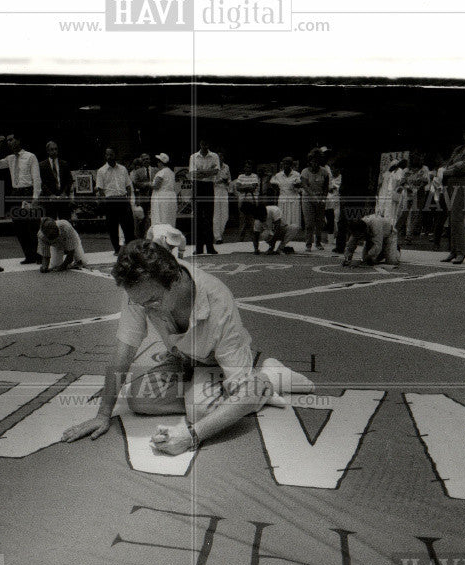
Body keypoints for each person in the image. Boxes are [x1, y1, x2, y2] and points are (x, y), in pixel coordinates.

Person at [60, 240, 316, 455]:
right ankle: (209, 394)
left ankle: (267, 378)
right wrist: (103, 414)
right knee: (137, 399)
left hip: (216, 361)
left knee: (200, 411)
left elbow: (240, 386)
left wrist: (190, 437)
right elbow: (123, 351)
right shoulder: (141, 291)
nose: (147, 309)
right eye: (141, 303)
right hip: (183, 358)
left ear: (175, 281)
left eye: (153, 301)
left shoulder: (217, 302)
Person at [0, 133, 42, 265]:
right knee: (19, 227)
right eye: (7, 141)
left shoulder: (30, 157)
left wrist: (35, 198)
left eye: (12, 139)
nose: (9, 142)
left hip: (28, 192)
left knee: (33, 226)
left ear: (19, 140)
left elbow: (36, 178)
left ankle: (40, 255)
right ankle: (29, 255)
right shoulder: (10, 158)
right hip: (16, 194)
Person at [441, 127, 465, 264]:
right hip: (452, 183)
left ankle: (460, 252)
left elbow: (464, 168)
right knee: (452, 217)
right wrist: (454, 167)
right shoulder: (458, 149)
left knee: (457, 217)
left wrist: (453, 168)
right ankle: (453, 250)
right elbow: (447, 168)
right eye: (464, 131)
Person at [96, 147, 135, 256]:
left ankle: (129, 248)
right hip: (110, 200)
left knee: (128, 225)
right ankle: (117, 249)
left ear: (115, 155)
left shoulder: (123, 169)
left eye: (111, 154)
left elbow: (128, 186)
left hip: (123, 199)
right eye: (107, 155)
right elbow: (100, 189)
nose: (109, 157)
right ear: (105, 156)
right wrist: (104, 202)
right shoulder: (101, 171)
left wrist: (129, 199)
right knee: (112, 226)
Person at [188, 140, 220, 255]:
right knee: (198, 217)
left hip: (208, 186)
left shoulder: (214, 156)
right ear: (200, 144)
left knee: (208, 216)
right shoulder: (193, 157)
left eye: (207, 144)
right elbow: (193, 174)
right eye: (203, 144)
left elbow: (216, 171)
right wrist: (208, 172)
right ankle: (199, 247)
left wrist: (201, 172)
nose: (205, 146)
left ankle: (210, 246)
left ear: (208, 144)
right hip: (198, 186)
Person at [300, 150, 330, 251]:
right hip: (308, 199)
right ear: (310, 161)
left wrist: (323, 199)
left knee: (319, 222)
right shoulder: (305, 171)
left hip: (320, 198)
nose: (315, 164)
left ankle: (318, 242)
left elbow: (326, 187)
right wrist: (313, 197)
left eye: (317, 161)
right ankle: (308, 244)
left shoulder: (324, 172)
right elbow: (305, 186)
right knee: (309, 223)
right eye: (313, 161)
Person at [399, 153, 431, 243]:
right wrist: (408, 188)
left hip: (419, 193)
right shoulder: (406, 170)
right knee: (405, 213)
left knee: (415, 214)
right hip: (408, 193)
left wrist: (418, 188)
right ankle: (403, 231)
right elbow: (402, 182)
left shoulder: (424, 169)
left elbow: (426, 181)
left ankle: (409, 234)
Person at [38, 140, 73, 222]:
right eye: (52, 149)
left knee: (65, 223)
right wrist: (50, 195)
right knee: (51, 224)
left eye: (56, 149)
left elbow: (69, 180)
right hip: (50, 200)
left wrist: (64, 193)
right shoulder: (42, 166)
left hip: (63, 198)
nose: (54, 151)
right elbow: (41, 182)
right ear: (47, 151)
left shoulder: (64, 164)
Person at [269, 157, 302, 232]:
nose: (286, 166)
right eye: (284, 164)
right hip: (283, 199)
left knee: (294, 217)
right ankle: (283, 232)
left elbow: (300, 186)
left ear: (291, 165)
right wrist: (276, 187)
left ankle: (294, 233)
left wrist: (296, 185)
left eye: (288, 164)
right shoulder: (278, 175)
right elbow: (273, 184)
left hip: (294, 199)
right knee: (283, 217)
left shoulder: (296, 174)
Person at [130, 152, 156, 238]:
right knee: (143, 218)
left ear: (150, 160)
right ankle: (143, 235)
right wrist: (146, 184)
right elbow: (135, 183)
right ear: (141, 161)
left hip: (154, 197)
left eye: (147, 159)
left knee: (154, 216)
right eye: (144, 159)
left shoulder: (156, 170)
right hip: (143, 197)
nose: (146, 161)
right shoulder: (138, 172)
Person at [233, 161, 261, 239]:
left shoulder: (254, 176)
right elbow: (238, 188)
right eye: (246, 167)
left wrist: (243, 187)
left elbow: (253, 188)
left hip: (252, 199)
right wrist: (248, 186)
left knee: (252, 218)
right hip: (242, 199)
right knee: (242, 218)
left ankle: (253, 236)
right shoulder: (240, 176)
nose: (247, 169)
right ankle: (241, 237)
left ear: (251, 168)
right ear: (244, 168)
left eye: (249, 167)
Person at [149, 153, 177, 228]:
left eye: (158, 162)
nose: (157, 164)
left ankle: (161, 235)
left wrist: (147, 184)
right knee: (169, 217)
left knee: (161, 217)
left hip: (162, 197)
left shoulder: (161, 172)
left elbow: (156, 186)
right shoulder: (171, 172)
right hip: (170, 197)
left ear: (161, 163)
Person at [213, 153, 232, 244]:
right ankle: (217, 237)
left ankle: (220, 233)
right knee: (216, 214)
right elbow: (209, 181)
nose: (220, 158)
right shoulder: (213, 167)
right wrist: (219, 180)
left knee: (225, 214)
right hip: (215, 191)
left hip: (224, 191)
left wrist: (226, 181)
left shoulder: (226, 167)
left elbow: (229, 180)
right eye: (219, 157)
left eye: (221, 156)